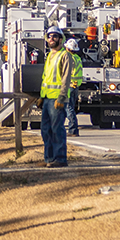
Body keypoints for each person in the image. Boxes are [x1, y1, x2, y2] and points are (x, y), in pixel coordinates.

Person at [37, 27, 84, 168]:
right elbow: (45, 78)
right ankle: (49, 159)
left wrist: (62, 97)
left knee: (57, 129)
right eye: (49, 36)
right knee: (46, 130)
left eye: (55, 36)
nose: (51, 38)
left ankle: (60, 159)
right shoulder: (50, 56)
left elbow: (65, 78)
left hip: (57, 99)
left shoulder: (65, 56)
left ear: (60, 39)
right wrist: (41, 96)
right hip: (47, 98)